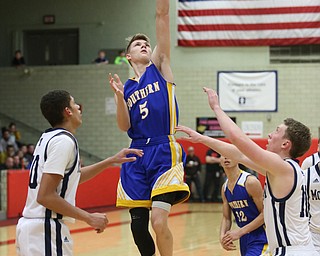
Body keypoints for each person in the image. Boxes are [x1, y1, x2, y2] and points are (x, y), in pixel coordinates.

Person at [176, 87, 318, 255]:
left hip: (292, 251)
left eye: (276, 131)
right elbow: (240, 155)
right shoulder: (282, 170)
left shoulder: (283, 168)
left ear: (285, 144)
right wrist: (201, 138)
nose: (270, 135)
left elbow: (238, 140)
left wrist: (216, 108)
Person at [15, 90, 143, 256]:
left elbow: (70, 179)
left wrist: (110, 161)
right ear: (67, 111)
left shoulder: (48, 137)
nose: (78, 108)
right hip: (45, 230)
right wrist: (89, 217)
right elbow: (45, 196)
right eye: (74, 103)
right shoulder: (63, 141)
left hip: (35, 229)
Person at [108, 0, 190, 255]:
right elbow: (124, 126)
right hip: (136, 154)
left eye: (146, 43)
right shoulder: (126, 88)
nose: (144, 45)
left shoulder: (160, 66)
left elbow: (162, 15)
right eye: (137, 44)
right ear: (128, 56)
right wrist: (120, 98)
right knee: (138, 228)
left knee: (158, 221)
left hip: (163, 148)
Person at [220, 155, 269, 255]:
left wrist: (240, 232)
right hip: (244, 238)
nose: (226, 157)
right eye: (222, 154)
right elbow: (226, 218)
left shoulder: (250, 182)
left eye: (229, 154)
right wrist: (222, 237)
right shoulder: (224, 188)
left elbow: (265, 214)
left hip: (261, 236)